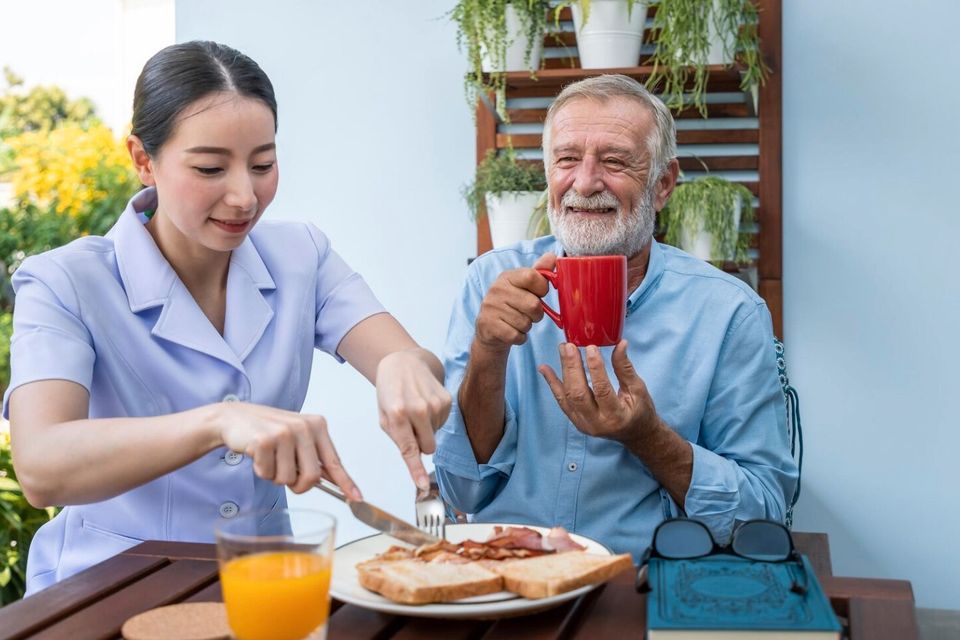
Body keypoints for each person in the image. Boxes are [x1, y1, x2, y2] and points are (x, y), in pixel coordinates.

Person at [2, 41, 451, 595]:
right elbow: (43, 465)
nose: (245, 196)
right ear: (143, 159)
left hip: (267, 587)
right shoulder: (64, 281)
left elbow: (404, 357)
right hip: (108, 592)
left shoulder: (300, 254)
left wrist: (404, 364)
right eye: (211, 167)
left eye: (263, 164)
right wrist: (219, 421)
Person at [433, 74, 798, 560]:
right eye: (566, 159)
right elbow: (461, 492)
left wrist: (647, 436)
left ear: (662, 183)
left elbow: (763, 513)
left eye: (614, 161)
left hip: (644, 580)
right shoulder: (489, 282)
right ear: (548, 175)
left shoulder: (730, 312)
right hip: (510, 571)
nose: (584, 182)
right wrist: (488, 353)